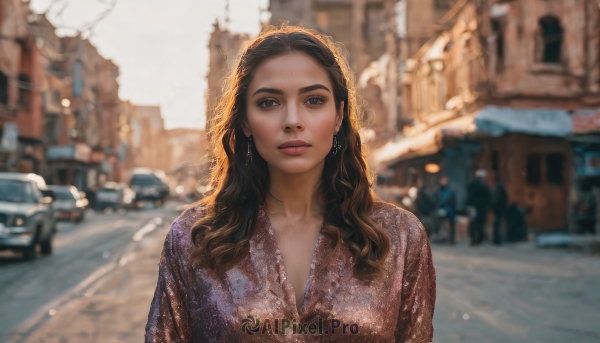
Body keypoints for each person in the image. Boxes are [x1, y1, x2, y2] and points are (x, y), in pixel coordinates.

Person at [144, 26, 435, 342]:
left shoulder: (399, 236)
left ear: (339, 115)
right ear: (245, 121)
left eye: (313, 100)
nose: (293, 120)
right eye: (269, 103)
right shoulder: (192, 238)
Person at [466, 169, 491, 246]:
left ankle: (476, 239)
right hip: (478, 207)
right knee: (477, 223)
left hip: (476, 207)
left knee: (475, 223)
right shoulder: (481, 185)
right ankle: (476, 239)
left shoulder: (474, 184)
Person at [438, 176, 457, 244]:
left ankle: (450, 239)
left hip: (449, 210)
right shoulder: (440, 190)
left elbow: (443, 200)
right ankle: (444, 238)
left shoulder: (449, 191)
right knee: (443, 224)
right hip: (443, 210)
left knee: (450, 225)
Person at [491, 175, 508, 245]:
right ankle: (497, 240)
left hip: (498, 209)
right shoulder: (500, 187)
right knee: (497, 224)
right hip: (499, 209)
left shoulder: (498, 187)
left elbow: (497, 199)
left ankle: (496, 240)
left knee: (497, 224)